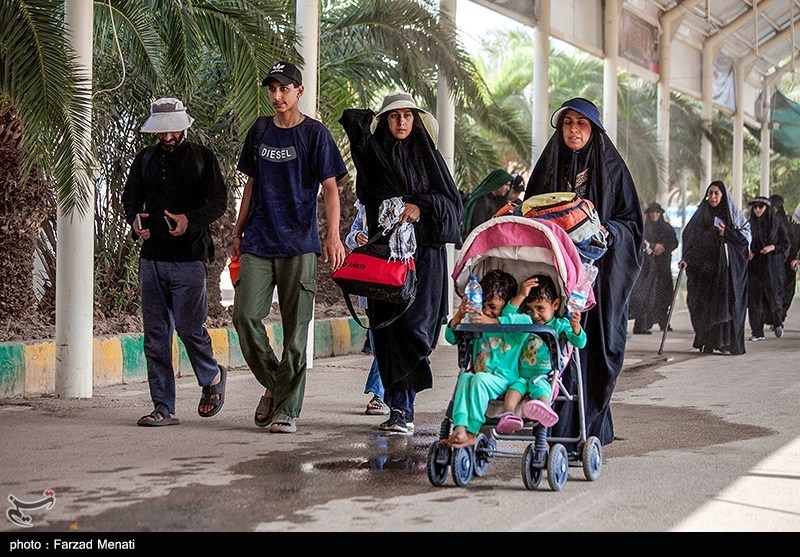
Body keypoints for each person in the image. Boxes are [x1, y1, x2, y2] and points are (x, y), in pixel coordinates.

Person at [232, 61, 347, 434]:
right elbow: (251, 184)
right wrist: (237, 230)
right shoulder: (260, 130)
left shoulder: (315, 134)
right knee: (244, 317)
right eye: (272, 89)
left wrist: (333, 235)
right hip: (259, 240)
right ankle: (276, 385)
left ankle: (286, 410)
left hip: (299, 243)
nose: (277, 95)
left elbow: (331, 188)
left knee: (296, 332)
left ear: (299, 91)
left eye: (284, 88)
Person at [339, 91, 463, 434]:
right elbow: (368, 198)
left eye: (407, 115)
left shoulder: (430, 158)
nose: (401, 122)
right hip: (385, 260)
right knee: (388, 334)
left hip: (423, 262)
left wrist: (420, 207)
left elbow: (452, 207)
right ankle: (400, 409)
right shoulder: (374, 159)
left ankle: (403, 406)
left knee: (414, 331)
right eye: (394, 116)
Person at [524, 97, 643, 447]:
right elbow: (529, 214)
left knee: (594, 350)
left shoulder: (613, 170)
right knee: (553, 347)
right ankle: (554, 428)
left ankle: (589, 426)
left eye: (581, 123)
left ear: (593, 129)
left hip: (598, 279)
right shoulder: (548, 167)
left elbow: (632, 225)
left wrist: (608, 231)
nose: (573, 130)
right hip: (554, 279)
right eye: (567, 123)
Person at [122, 97, 228, 427]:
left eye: (173, 131)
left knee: (189, 329)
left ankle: (212, 376)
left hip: (189, 257)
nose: (167, 137)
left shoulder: (202, 157)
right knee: (155, 337)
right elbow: (129, 198)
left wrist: (189, 220)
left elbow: (219, 202)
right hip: (152, 258)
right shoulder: (144, 159)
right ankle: (163, 407)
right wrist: (135, 221)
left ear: (183, 127)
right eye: (161, 132)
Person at [443, 270, 531, 448]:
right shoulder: (478, 325)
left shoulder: (513, 328)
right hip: (480, 377)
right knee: (465, 378)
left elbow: (526, 321)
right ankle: (460, 428)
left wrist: (492, 321)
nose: (485, 311)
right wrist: (459, 316)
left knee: (478, 379)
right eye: (482, 305)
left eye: (492, 307)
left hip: (506, 380)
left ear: (507, 304)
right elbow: (451, 338)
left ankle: (472, 432)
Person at [495, 275, 587, 435]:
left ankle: (543, 408)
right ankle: (508, 414)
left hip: (545, 376)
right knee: (513, 390)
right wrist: (521, 295)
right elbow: (506, 317)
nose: (534, 314)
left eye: (540, 308)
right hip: (521, 376)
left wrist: (576, 327)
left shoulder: (559, 325)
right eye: (529, 309)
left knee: (541, 390)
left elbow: (579, 342)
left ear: (555, 305)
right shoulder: (525, 322)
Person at [679, 180, 751, 355]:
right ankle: (707, 341)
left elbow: (743, 240)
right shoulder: (701, 215)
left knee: (723, 306)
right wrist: (687, 259)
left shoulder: (732, 216)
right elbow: (691, 239)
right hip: (704, 271)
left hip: (724, 273)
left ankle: (724, 343)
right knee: (702, 306)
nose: (712, 197)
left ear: (723, 196)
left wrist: (726, 233)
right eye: (710, 193)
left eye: (716, 193)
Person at [344, 200, 388, 416]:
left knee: (386, 340)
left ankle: (380, 393)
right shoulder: (364, 207)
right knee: (379, 340)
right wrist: (356, 238)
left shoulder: (401, 204)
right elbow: (350, 236)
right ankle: (383, 392)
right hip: (370, 282)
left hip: (393, 281)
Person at [629, 202, 679, 334]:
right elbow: (640, 243)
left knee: (664, 294)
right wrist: (651, 246)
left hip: (663, 266)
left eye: (657, 212)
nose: (654, 215)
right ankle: (642, 325)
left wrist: (663, 248)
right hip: (647, 268)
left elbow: (673, 242)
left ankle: (664, 322)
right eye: (651, 212)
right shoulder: (644, 228)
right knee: (646, 295)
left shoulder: (666, 228)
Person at [746, 196, 789, 341]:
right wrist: (748, 250)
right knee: (754, 299)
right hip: (755, 266)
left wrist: (772, 247)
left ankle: (777, 322)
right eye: (755, 207)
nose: (757, 210)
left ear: (767, 208)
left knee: (774, 297)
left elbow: (785, 243)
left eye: (761, 207)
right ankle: (757, 331)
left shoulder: (776, 223)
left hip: (772, 266)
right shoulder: (749, 224)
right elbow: (744, 240)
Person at [769, 194, 800, 322]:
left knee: (780, 288)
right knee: (786, 288)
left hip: (781, 260)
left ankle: (777, 316)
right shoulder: (790, 224)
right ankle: (779, 315)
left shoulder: (779, 223)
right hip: (787, 261)